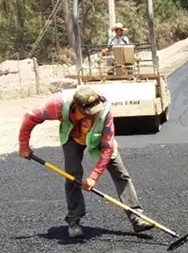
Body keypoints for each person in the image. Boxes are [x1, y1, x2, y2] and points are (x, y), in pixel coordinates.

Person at [18, 86, 152, 239]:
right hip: (72, 136)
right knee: (72, 176)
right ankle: (74, 222)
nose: (94, 115)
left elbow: (107, 148)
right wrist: (24, 146)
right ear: (75, 107)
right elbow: (29, 118)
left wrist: (94, 176)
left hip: (98, 137)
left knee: (120, 174)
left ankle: (137, 218)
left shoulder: (104, 109)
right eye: (88, 113)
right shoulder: (56, 105)